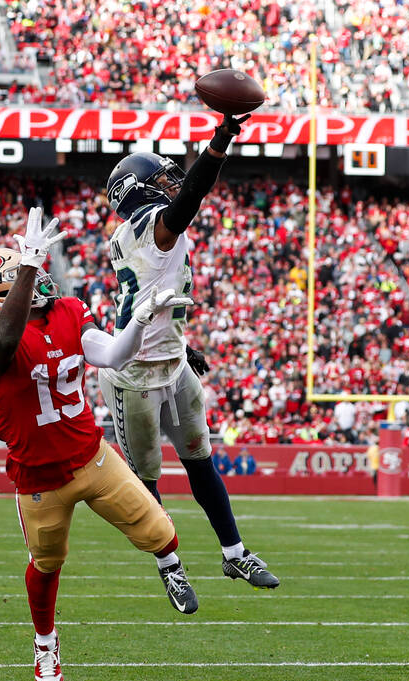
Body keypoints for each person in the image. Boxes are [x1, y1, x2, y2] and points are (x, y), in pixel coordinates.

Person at [0, 208, 198, 681]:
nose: (40, 273)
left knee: (162, 533)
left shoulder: (68, 312)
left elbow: (111, 354)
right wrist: (25, 263)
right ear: (1, 293)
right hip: (39, 476)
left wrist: (140, 320)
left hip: (93, 456)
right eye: (24, 273)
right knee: (47, 564)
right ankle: (45, 643)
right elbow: (3, 348)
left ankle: (170, 570)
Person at [98, 116, 279, 591]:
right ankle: (169, 567)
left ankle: (234, 554)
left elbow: (152, 295)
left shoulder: (136, 234)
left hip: (172, 361)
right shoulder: (152, 226)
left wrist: (184, 344)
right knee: (149, 480)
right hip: (135, 374)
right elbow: (192, 197)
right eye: (160, 177)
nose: (171, 181)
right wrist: (220, 140)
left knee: (200, 459)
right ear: (137, 191)